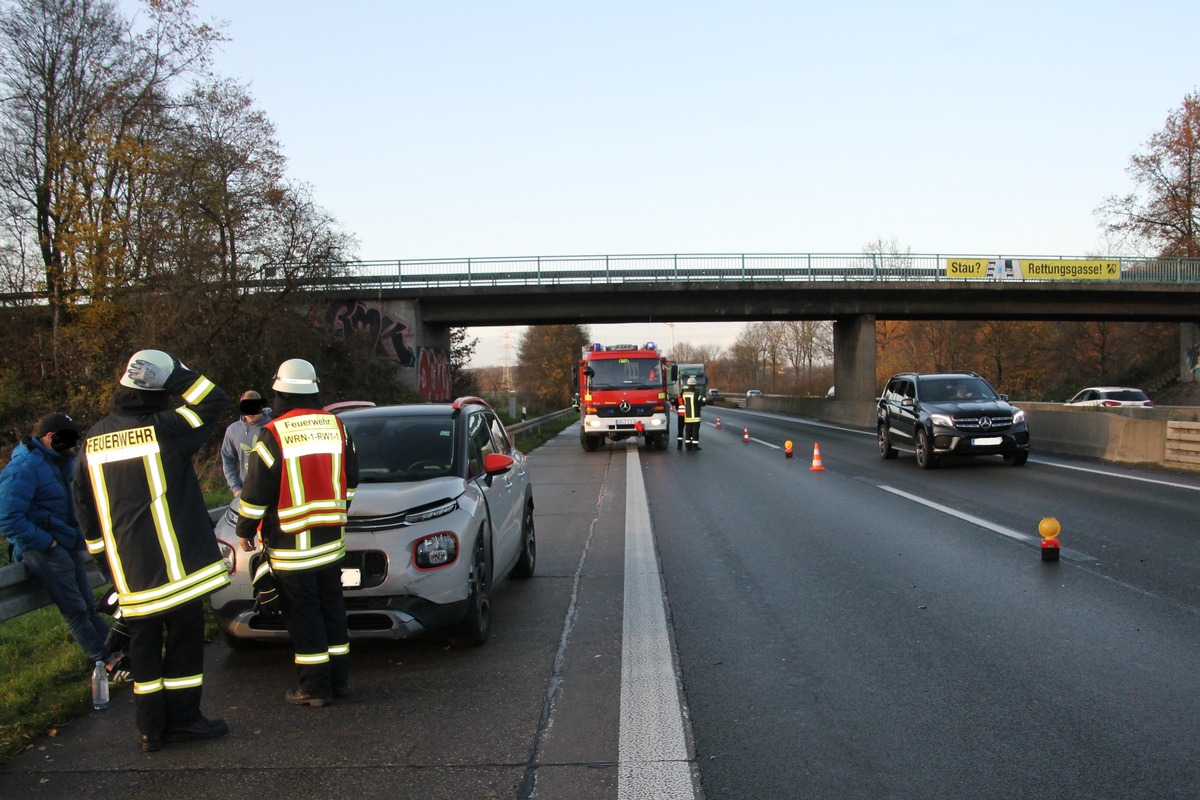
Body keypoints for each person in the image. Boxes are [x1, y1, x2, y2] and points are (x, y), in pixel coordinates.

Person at [72, 350, 231, 753]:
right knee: (183, 646)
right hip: (179, 571)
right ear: (159, 389)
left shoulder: (92, 441)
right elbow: (213, 400)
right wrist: (178, 375)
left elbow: (86, 512)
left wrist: (107, 567)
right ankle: (184, 720)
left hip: (132, 574)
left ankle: (149, 730)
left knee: (142, 650)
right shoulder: (167, 428)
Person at [235, 358, 359, 707]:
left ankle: (314, 688)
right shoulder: (337, 426)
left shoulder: (273, 434)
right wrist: (337, 509)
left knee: (304, 618)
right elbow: (352, 480)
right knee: (332, 611)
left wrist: (245, 528)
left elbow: (257, 490)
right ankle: (339, 681)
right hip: (330, 544)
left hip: (292, 548)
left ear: (279, 391)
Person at [0, 413, 126, 678]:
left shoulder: (62, 463)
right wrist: (50, 542)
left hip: (66, 544)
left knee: (88, 606)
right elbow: (8, 517)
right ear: (50, 437)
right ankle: (106, 663)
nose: (74, 442)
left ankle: (118, 654)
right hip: (42, 550)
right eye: (69, 435)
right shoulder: (24, 468)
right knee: (76, 610)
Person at [220, 390, 272, 501]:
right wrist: (236, 489)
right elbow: (228, 460)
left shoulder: (274, 425)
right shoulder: (233, 431)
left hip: (274, 492)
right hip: (247, 494)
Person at [683, 377, 702, 450]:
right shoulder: (696, 393)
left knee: (688, 431)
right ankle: (695, 446)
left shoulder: (684, 393)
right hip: (695, 417)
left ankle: (688, 445)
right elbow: (700, 403)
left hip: (687, 416)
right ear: (694, 385)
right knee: (695, 432)